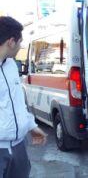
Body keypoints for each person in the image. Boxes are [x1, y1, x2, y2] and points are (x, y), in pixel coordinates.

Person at [0, 16, 47, 178]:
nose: (21, 47)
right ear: (11, 42)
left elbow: (17, 103)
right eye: (20, 42)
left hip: (19, 147)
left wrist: (30, 126)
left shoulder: (11, 65)